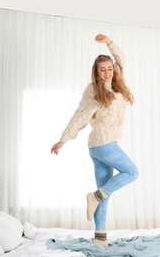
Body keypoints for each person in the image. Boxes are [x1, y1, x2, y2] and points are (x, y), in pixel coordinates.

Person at [51, 34, 139, 248]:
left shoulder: (118, 83)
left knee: (103, 194)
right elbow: (80, 115)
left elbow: (122, 59)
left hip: (103, 146)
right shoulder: (92, 91)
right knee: (132, 173)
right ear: (96, 72)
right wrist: (64, 139)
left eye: (109, 68)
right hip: (103, 144)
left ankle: (100, 238)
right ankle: (96, 196)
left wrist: (110, 43)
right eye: (103, 69)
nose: (108, 72)